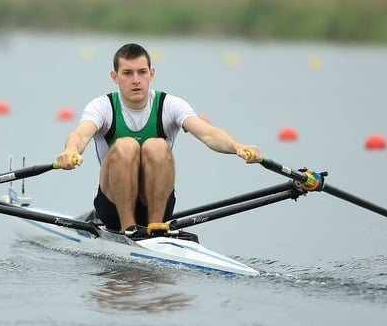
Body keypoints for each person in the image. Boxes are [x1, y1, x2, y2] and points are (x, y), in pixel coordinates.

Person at [56, 42, 262, 239]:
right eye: (128, 73)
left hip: (158, 206)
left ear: (151, 74)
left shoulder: (170, 105)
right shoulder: (102, 106)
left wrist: (238, 147)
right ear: (115, 77)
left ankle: (156, 230)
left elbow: (209, 134)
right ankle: (129, 229)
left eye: (142, 72)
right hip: (111, 207)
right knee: (126, 145)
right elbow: (81, 134)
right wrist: (71, 150)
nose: (136, 80)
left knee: (157, 146)